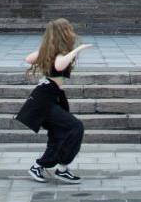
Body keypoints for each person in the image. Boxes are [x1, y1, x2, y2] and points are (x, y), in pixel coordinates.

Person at [17, 18, 91, 183]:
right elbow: (56, 65)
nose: (72, 32)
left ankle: (43, 167)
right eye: (69, 29)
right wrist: (78, 49)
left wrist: (47, 51)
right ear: (63, 33)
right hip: (44, 99)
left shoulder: (55, 52)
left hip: (53, 97)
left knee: (58, 133)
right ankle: (60, 167)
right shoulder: (59, 54)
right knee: (75, 127)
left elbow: (30, 59)